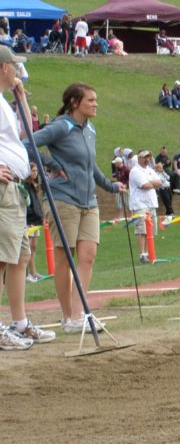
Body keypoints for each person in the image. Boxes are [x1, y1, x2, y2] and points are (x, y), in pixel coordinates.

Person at [27, 82, 124, 333]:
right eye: (90, 100)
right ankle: (68, 317)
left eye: (95, 99)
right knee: (65, 258)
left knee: (88, 257)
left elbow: (91, 167)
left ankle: (79, 315)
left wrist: (111, 186)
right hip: (62, 199)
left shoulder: (90, 129)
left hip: (89, 201)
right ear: (74, 102)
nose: (95, 104)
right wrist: (52, 164)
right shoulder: (61, 125)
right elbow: (28, 144)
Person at [0, 46, 56, 348]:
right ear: (3, 67)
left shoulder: (4, 102)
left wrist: (21, 97)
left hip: (17, 188)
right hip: (3, 189)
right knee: (1, 257)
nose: (19, 72)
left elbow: (20, 138)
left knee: (20, 256)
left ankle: (19, 322)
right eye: (15, 67)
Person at [128, 150, 162, 264]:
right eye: (144, 157)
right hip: (140, 204)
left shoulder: (150, 170)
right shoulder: (135, 171)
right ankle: (142, 254)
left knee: (150, 230)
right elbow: (145, 185)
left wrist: (150, 182)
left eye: (148, 157)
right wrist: (151, 183)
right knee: (141, 229)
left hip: (151, 203)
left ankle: (148, 253)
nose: (147, 159)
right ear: (139, 158)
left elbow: (160, 182)